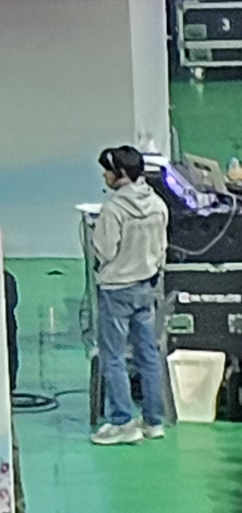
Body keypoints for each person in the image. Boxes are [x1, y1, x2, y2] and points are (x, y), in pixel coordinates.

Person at [83, 142, 171, 442]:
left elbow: (106, 250)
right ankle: (153, 421)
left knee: (114, 357)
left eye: (107, 171)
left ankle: (122, 422)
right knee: (148, 355)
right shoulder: (158, 204)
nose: (104, 176)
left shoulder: (114, 210)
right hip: (146, 288)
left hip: (116, 290)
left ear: (120, 173)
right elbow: (161, 248)